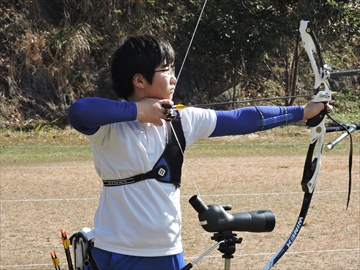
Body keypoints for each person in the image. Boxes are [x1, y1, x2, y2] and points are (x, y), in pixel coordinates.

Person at [68, 34, 331, 270]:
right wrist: (138, 112)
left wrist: (302, 112)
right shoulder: (110, 129)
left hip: (166, 253)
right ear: (139, 80)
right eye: (165, 70)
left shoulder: (182, 121)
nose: (173, 78)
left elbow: (241, 119)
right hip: (115, 253)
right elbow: (78, 112)